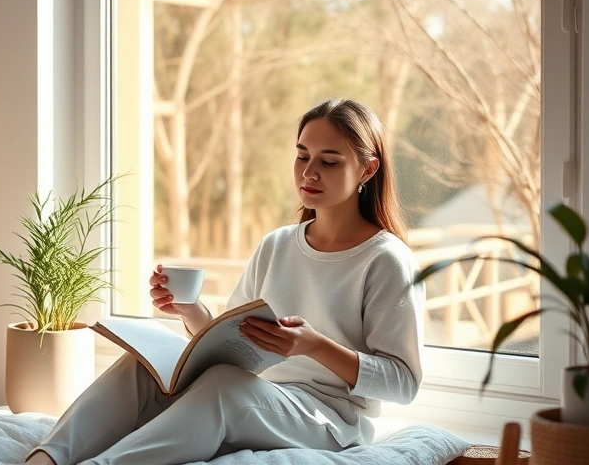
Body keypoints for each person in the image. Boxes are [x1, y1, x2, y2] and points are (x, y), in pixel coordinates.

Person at [26, 97, 425, 465]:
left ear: (367, 169)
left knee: (224, 388)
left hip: (329, 420)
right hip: (254, 392)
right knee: (142, 367)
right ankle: (45, 459)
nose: (308, 172)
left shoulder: (386, 260)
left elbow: (403, 382)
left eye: (329, 161)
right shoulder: (278, 245)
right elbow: (234, 345)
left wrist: (313, 346)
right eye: (301, 156)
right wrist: (191, 309)